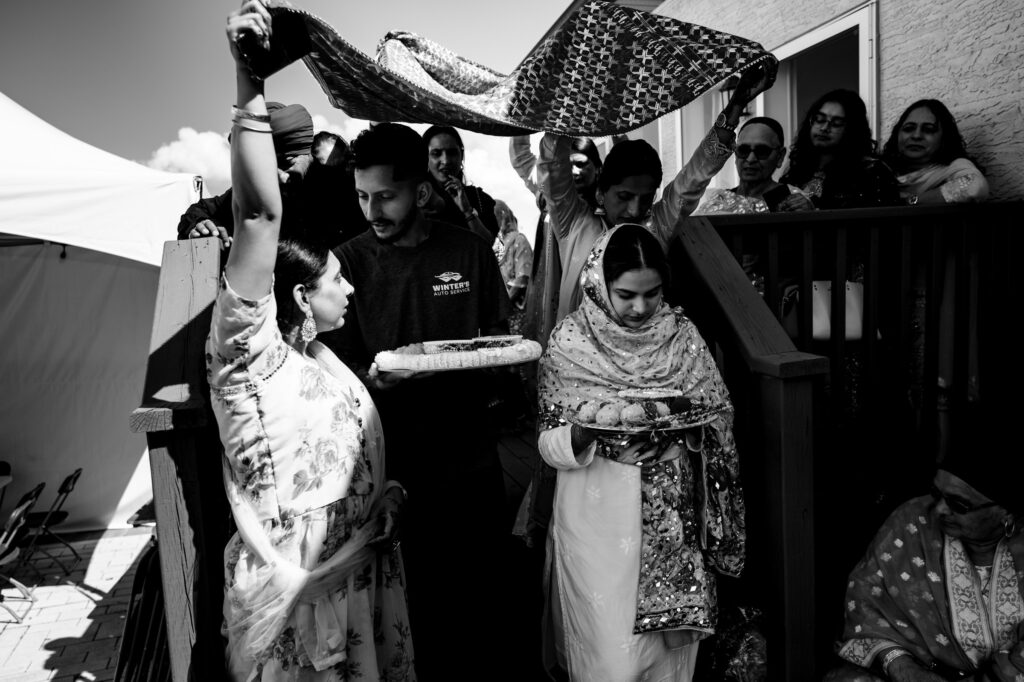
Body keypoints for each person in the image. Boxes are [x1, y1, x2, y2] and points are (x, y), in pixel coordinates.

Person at [207, 3, 414, 679]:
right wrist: (248, 79)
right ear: (297, 296)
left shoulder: (318, 360)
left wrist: (382, 502)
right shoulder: (252, 362)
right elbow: (260, 213)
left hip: (364, 602)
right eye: (335, 280)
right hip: (305, 625)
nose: (349, 289)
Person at [319, 122, 518, 680]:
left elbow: (499, 339)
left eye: (386, 195)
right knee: (411, 609)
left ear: (420, 189)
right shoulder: (347, 264)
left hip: (471, 453)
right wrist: (372, 379)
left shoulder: (470, 252)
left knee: (481, 601)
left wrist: (496, 371)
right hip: (392, 465)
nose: (372, 210)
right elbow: (333, 370)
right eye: (363, 196)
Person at [537, 224, 745, 681]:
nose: (640, 308)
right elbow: (549, 441)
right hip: (597, 519)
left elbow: (716, 414)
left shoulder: (681, 335)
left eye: (652, 294)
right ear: (598, 284)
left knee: (666, 662)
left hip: (673, 517)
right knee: (608, 654)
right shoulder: (570, 343)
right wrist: (587, 431)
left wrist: (680, 435)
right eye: (626, 294)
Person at [533, 64, 774, 326]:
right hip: (577, 363)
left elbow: (693, 177)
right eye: (624, 196)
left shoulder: (655, 227)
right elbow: (552, 166)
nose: (635, 210)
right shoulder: (574, 224)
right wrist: (574, 98)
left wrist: (736, 105)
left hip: (645, 363)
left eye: (646, 199)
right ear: (601, 192)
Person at [826, 406, 1023, 682]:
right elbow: (864, 603)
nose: (940, 509)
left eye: (958, 504)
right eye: (936, 493)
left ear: (1006, 512)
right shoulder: (912, 522)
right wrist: (903, 667)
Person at [177, 100, 315, 246]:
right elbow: (200, 210)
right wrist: (200, 225)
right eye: (266, 168)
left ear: (307, 152)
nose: (279, 176)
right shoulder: (254, 189)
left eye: (287, 163)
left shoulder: (333, 189)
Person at [780, 89, 899, 209]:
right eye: (820, 119)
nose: (824, 128)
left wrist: (814, 213)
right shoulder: (798, 167)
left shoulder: (872, 171)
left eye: (836, 123)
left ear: (852, 130)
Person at [881, 99, 989, 205]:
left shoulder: (952, 167)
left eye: (928, 130)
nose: (916, 136)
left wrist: (911, 201)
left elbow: (975, 187)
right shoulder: (881, 170)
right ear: (897, 134)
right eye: (908, 128)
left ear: (944, 138)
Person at [420, 124, 499, 242]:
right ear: (425, 157)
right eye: (436, 153)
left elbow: (487, 244)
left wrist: (467, 211)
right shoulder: (414, 198)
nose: (445, 161)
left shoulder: (480, 199)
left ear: (461, 156)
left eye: (452, 153)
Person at [492, 199, 533, 332]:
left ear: (502, 216)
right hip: (498, 313)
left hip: (515, 313)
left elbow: (522, 279)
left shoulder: (519, 240)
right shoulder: (492, 242)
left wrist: (502, 307)